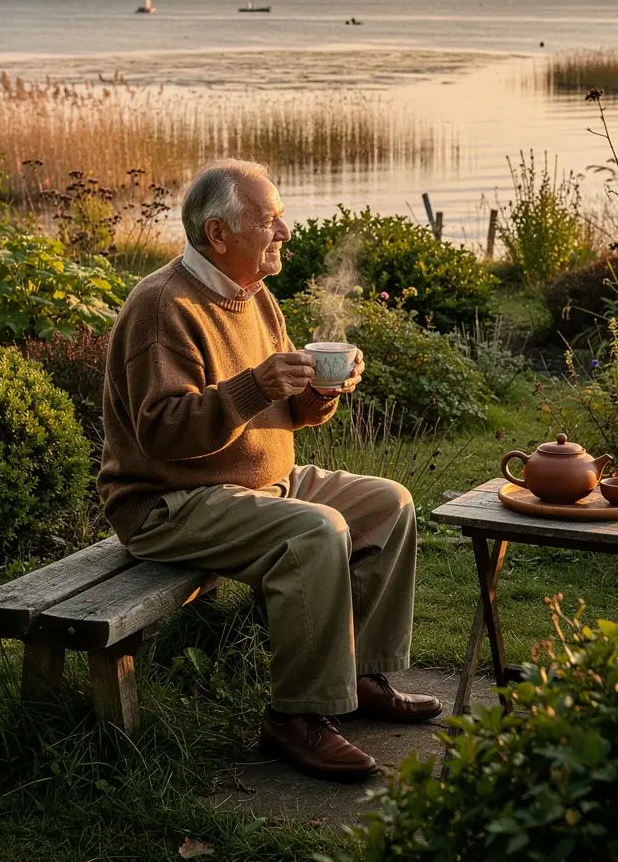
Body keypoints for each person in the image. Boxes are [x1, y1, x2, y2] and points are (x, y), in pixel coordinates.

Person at [98, 159, 442, 781]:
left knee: (389, 504)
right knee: (316, 532)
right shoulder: (162, 306)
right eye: (269, 219)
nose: (284, 230)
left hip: (255, 483)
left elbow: (288, 413)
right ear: (218, 233)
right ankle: (295, 719)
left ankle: (361, 677)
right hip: (169, 500)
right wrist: (253, 388)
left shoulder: (254, 295)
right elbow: (162, 433)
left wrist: (319, 395)